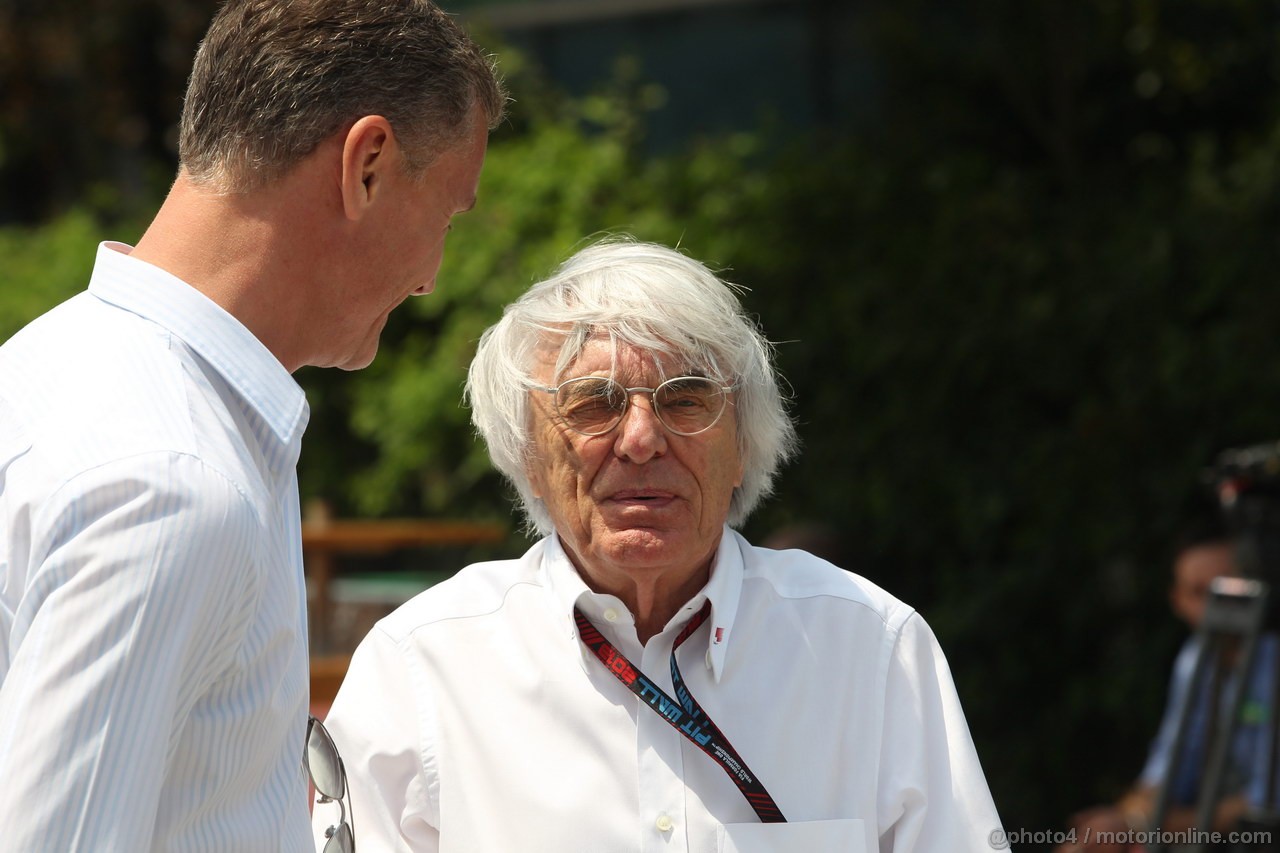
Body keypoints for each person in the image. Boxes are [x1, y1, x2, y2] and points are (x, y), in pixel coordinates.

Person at [0, 1, 504, 849]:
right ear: (368, 166)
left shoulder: (41, 370)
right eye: (448, 215)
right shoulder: (174, 478)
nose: (431, 277)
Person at [314, 239, 1002, 851]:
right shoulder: (422, 669)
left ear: (743, 448)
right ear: (527, 456)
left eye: (684, 400)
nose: (642, 439)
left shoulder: (872, 648)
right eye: (593, 404)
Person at [1056, 526, 1270, 853]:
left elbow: (1266, 802)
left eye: (1224, 587)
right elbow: (1168, 769)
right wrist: (1120, 821)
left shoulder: (1272, 662)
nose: (1216, 607)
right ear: (1178, 601)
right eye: (1200, 593)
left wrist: (1142, 826)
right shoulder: (1195, 661)